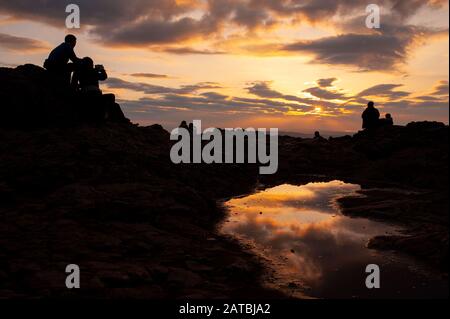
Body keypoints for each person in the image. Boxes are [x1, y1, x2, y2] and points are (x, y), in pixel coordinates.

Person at [74, 57, 128, 123]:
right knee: (112, 98)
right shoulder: (92, 71)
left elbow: (75, 83)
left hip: (87, 95)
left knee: (115, 104)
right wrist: (102, 69)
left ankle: (115, 118)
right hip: (92, 96)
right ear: (90, 64)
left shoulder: (80, 72)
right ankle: (110, 118)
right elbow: (104, 76)